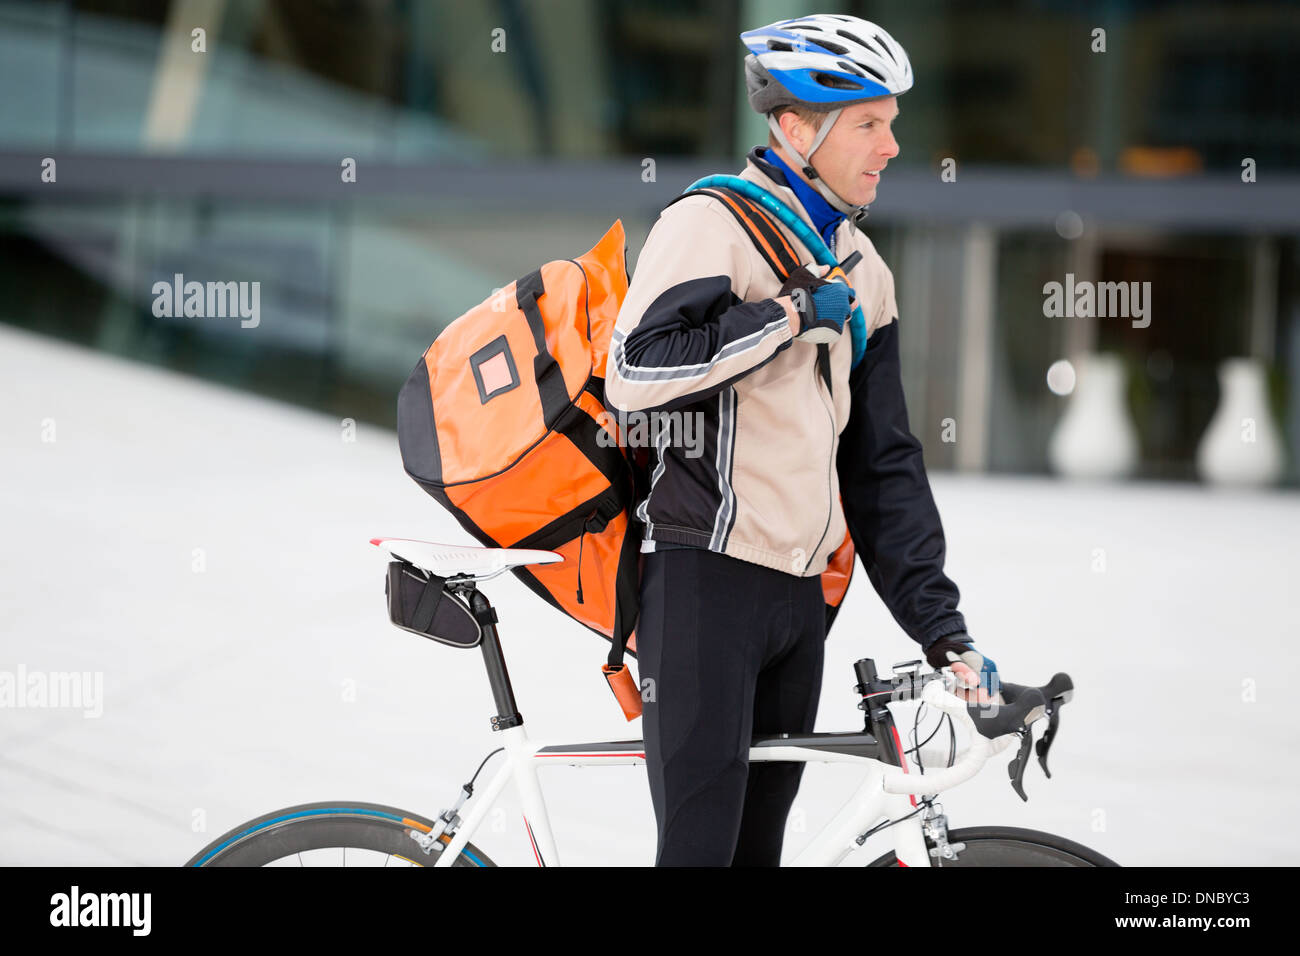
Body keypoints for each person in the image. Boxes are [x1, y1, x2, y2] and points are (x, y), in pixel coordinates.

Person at [604, 13, 999, 868]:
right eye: (868, 123)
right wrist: (783, 315)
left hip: (799, 604)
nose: (891, 145)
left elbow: (883, 467)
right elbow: (633, 373)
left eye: (891, 123)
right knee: (699, 854)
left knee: (758, 856)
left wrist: (944, 632)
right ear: (794, 127)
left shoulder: (866, 272)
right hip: (703, 580)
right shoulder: (712, 223)